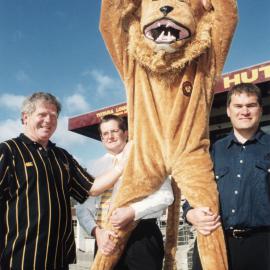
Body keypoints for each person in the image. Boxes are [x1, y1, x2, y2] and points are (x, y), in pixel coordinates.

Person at [0, 92, 126, 270]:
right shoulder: (7, 151)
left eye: (53, 116)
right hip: (20, 259)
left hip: (58, 258)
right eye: (42, 114)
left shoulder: (63, 157)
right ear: (25, 117)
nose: (48, 120)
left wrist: (123, 165)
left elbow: (92, 188)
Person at [183, 83, 270, 270]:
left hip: (263, 247)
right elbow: (193, 191)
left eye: (251, 105)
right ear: (229, 111)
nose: (244, 111)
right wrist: (191, 214)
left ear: (260, 109)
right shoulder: (211, 151)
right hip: (216, 243)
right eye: (238, 106)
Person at [76, 114, 174, 270]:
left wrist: (132, 211)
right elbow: (82, 207)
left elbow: (166, 196)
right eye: (105, 133)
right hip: (106, 240)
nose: (110, 136)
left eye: (114, 131)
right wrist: (97, 233)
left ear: (126, 133)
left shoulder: (146, 159)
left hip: (141, 237)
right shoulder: (94, 166)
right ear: (101, 138)